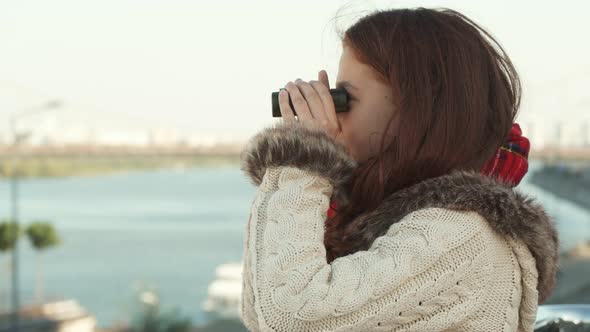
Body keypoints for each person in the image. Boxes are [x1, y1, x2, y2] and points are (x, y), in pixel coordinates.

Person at [239, 7, 559, 332]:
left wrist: (300, 159)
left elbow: (290, 319)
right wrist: (289, 168)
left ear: (414, 110)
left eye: (344, 97)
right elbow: (259, 312)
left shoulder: (462, 235)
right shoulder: (395, 219)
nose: (333, 114)